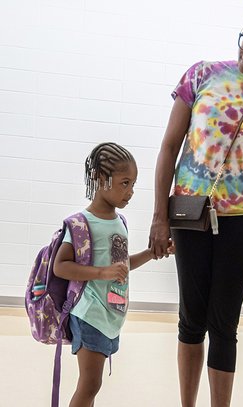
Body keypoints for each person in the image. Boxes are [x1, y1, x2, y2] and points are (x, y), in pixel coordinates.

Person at [148, 0, 243, 407]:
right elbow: (169, 147)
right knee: (190, 317)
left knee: (224, 322)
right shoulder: (202, 75)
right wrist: (159, 217)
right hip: (189, 211)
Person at [54, 142, 157, 407]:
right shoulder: (80, 223)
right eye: (125, 183)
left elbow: (121, 266)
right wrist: (101, 272)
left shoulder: (120, 223)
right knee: (90, 383)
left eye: (133, 184)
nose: (131, 192)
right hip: (89, 312)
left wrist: (153, 253)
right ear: (102, 179)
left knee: (92, 385)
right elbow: (61, 266)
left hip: (111, 313)